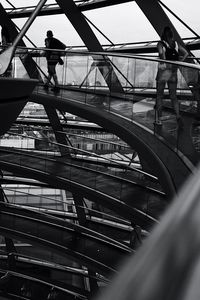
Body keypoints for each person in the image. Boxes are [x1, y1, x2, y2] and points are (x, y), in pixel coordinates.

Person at [155, 26, 188, 126]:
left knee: (159, 96)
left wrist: (163, 59)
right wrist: (180, 61)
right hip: (173, 71)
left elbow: (161, 53)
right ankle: (178, 116)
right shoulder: (176, 44)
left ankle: (159, 120)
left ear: (163, 34)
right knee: (173, 96)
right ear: (171, 34)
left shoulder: (160, 43)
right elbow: (186, 53)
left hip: (163, 72)